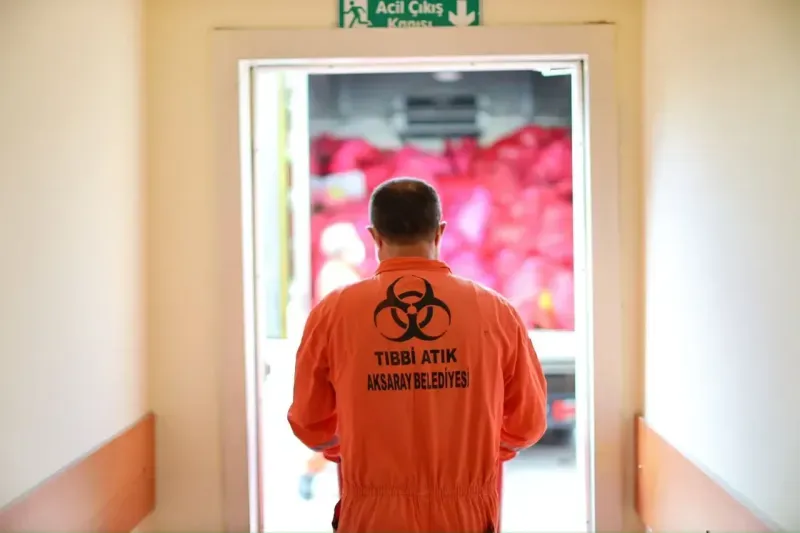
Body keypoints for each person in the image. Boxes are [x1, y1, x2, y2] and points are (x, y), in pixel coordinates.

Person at [288, 177, 548, 532]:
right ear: (439, 232)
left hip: (372, 516)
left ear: (375, 236)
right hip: (465, 516)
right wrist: (480, 454)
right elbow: (527, 423)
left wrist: (348, 451)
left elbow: (309, 422)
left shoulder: (334, 312)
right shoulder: (494, 312)